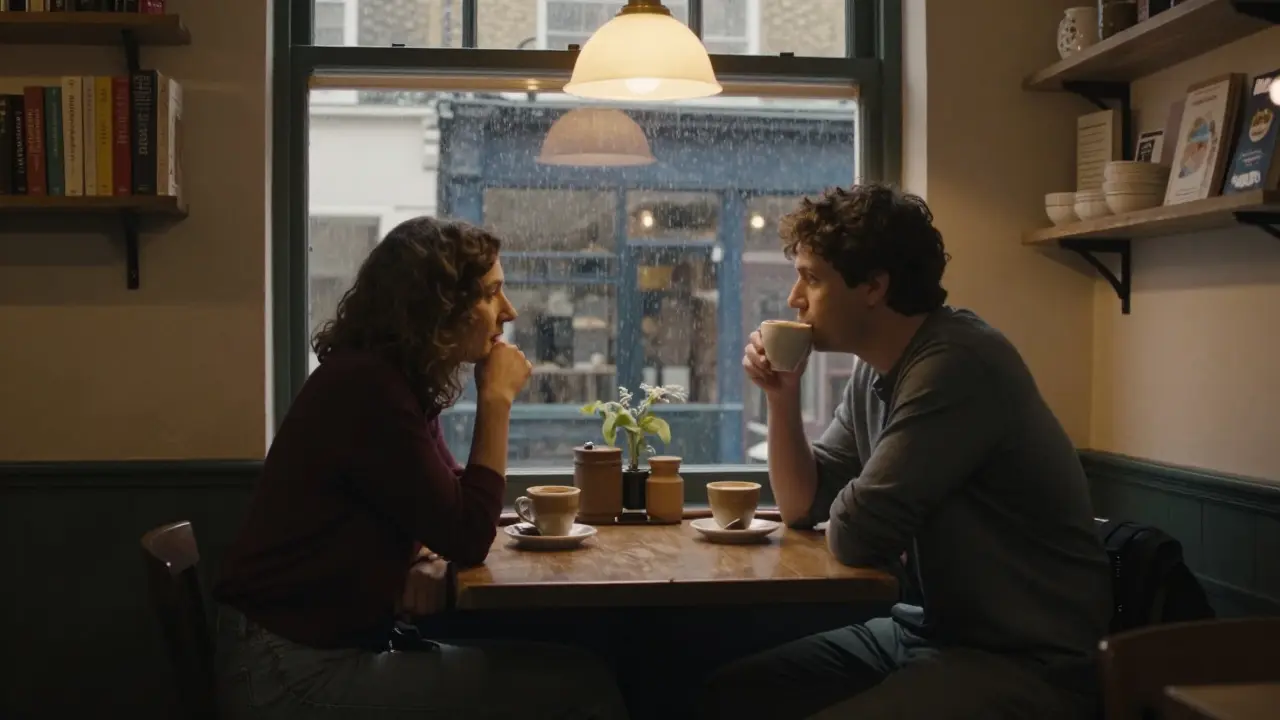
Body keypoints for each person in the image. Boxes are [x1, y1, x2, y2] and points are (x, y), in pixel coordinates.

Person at [700, 184, 1112, 719]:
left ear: (874, 285)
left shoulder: (957, 364)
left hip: (1026, 660)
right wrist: (783, 399)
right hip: (923, 631)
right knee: (729, 694)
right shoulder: (875, 367)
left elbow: (854, 534)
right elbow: (804, 506)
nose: (793, 299)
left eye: (812, 278)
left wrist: (858, 504)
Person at [212, 216, 628, 719]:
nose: (510, 312)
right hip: (288, 672)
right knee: (581, 688)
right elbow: (467, 530)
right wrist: (495, 400)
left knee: (571, 670)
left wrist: (425, 556)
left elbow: (444, 503)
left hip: (309, 652)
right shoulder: (369, 391)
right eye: (492, 294)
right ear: (440, 308)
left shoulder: (389, 383)